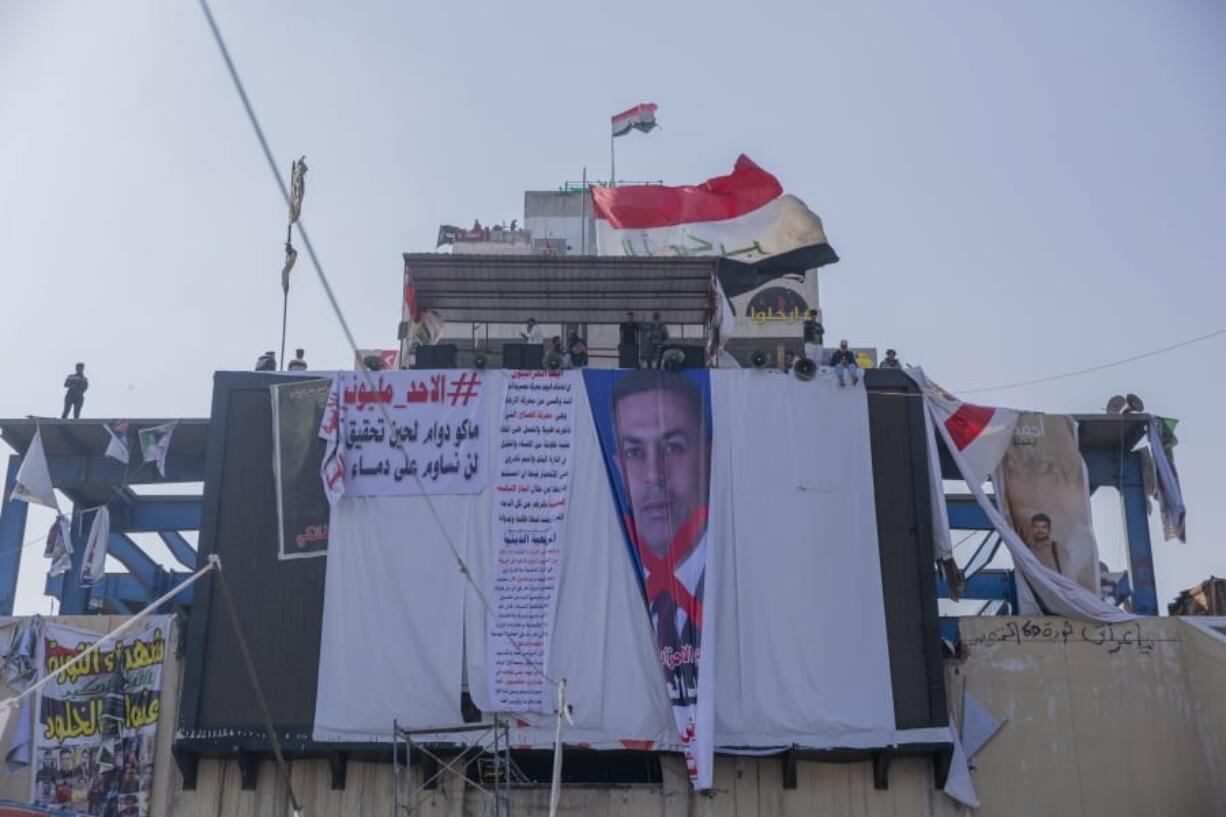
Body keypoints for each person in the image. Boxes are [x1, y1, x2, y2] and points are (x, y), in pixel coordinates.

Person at [611, 370, 711, 706]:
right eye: (634, 453)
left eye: (672, 447)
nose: (655, 474)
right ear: (618, 470)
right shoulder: (604, 594)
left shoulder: (738, 583)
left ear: (707, 456)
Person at [1028, 513, 1069, 577]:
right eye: (1036, 527)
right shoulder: (1028, 550)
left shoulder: (1058, 549)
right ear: (1032, 529)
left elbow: (1067, 576)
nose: (1040, 530)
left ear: (1049, 529)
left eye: (1044, 527)